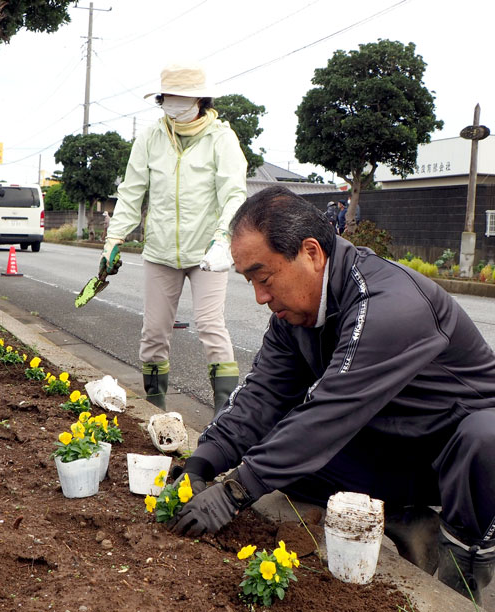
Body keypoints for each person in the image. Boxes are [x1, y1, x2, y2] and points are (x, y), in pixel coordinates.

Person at [167, 185, 495, 603]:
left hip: (450, 458)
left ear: (311, 252)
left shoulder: (389, 303)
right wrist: (203, 461)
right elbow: (261, 396)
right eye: (251, 282)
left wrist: (234, 493)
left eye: (264, 278)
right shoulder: (296, 314)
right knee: (278, 450)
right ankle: (406, 521)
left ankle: (461, 574)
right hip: (385, 443)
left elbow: (328, 414)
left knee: (487, 436)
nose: (260, 297)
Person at [99, 62, 247, 415]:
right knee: (153, 334)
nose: (174, 104)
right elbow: (132, 192)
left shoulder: (221, 138)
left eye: (182, 98)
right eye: (169, 98)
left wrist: (223, 238)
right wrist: (114, 238)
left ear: (199, 100)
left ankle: (224, 416)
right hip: (161, 251)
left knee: (211, 328)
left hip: (208, 252)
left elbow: (234, 193)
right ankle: (155, 411)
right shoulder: (150, 137)